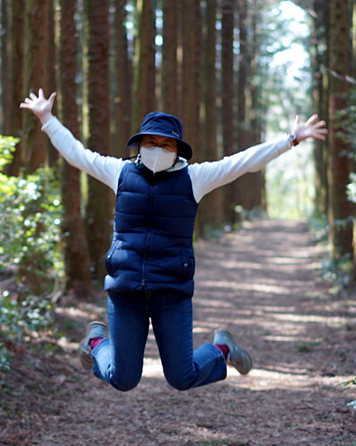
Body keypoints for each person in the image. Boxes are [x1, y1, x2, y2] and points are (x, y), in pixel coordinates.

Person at [20, 88, 327, 392]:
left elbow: (243, 161)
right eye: (150, 143)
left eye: (165, 144)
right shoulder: (121, 172)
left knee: (182, 377)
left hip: (171, 291)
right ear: (139, 145)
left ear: (177, 150)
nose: (157, 149)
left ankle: (221, 349)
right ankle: (97, 343)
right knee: (123, 379)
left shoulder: (195, 178)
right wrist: (47, 118)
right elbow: (78, 156)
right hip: (126, 290)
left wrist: (290, 140)